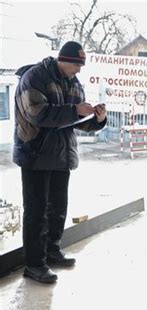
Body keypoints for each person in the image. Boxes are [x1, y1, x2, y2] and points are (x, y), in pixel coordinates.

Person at [14, 41, 107, 284]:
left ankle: (52, 252)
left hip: (62, 155)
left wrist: (97, 119)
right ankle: (34, 265)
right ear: (62, 60)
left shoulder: (74, 83)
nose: (79, 71)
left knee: (58, 208)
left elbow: (79, 121)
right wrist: (75, 109)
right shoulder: (34, 77)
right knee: (36, 212)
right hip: (35, 154)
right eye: (76, 65)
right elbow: (37, 114)